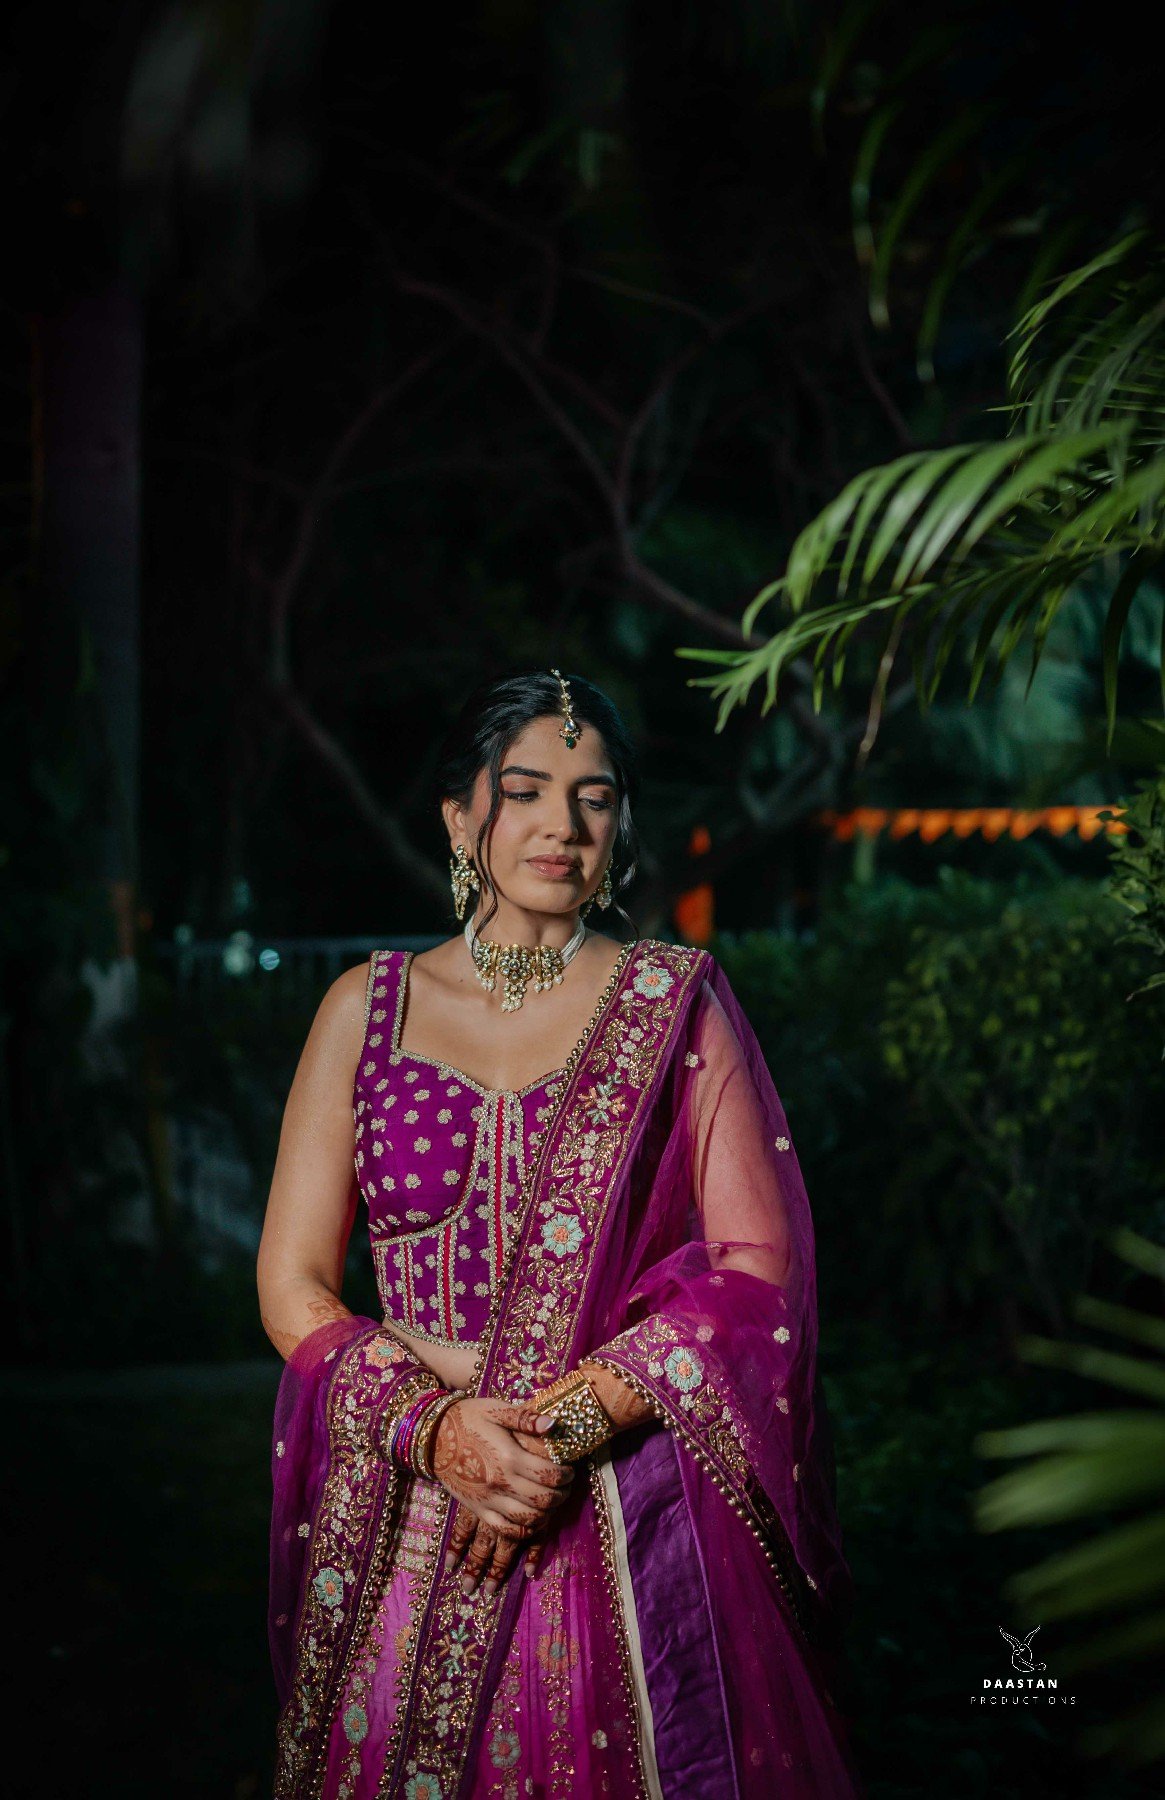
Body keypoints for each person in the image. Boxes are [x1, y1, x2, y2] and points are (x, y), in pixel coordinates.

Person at [257, 668, 865, 1799]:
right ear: (459, 817)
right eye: (525, 789)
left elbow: (755, 1272)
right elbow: (292, 1281)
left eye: (594, 796)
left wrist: (566, 1426)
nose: (561, 824)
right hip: (409, 1501)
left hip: (617, 1514)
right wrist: (437, 1436)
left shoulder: (674, 1002)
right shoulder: (362, 1007)